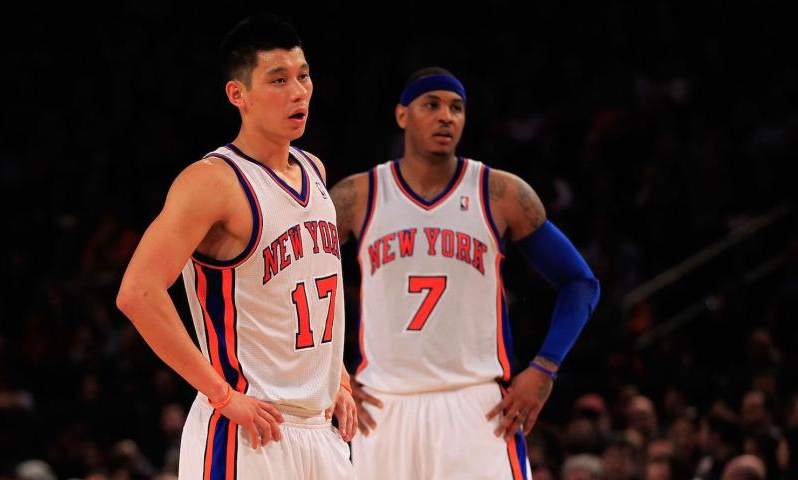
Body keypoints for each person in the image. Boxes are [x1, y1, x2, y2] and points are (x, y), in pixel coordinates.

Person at [116, 14, 356, 480]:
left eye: (303, 76)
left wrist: (338, 377)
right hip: (246, 432)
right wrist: (222, 396)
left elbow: (303, 296)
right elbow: (138, 292)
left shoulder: (315, 171)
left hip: (319, 430)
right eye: (279, 80)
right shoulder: (212, 182)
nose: (298, 91)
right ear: (237, 94)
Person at [329, 67, 600, 479]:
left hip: (476, 405)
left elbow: (580, 283)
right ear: (402, 115)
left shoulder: (501, 194)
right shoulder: (357, 197)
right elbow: (297, 283)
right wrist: (332, 373)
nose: (446, 117)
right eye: (432, 105)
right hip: (383, 406)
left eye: (456, 108)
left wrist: (545, 368)